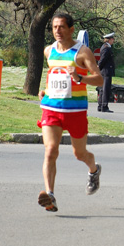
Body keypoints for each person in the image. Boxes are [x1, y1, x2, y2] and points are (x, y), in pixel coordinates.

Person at [37, 13, 104, 212]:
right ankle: (50, 195)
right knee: (50, 151)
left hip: (75, 111)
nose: (57, 31)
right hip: (51, 109)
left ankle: (94, 169)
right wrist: (45, 91)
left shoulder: (82, 52)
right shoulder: (49, 51)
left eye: (62, 27)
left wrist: (80, 78)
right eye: (54, 27)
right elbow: (54, 76)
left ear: (71, 29)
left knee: (79, 153)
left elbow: (99, 79)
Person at [97, 32, 116, 113]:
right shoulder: (106, 48)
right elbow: (103, 60)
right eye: (112, 39)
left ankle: (100, 105)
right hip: (106, 71)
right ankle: (104, 106)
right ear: (109, 39)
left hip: (104, 71)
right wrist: (99, 68)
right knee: (105, 89)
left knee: (102, 89)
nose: (113, 40)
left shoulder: (105, 47)